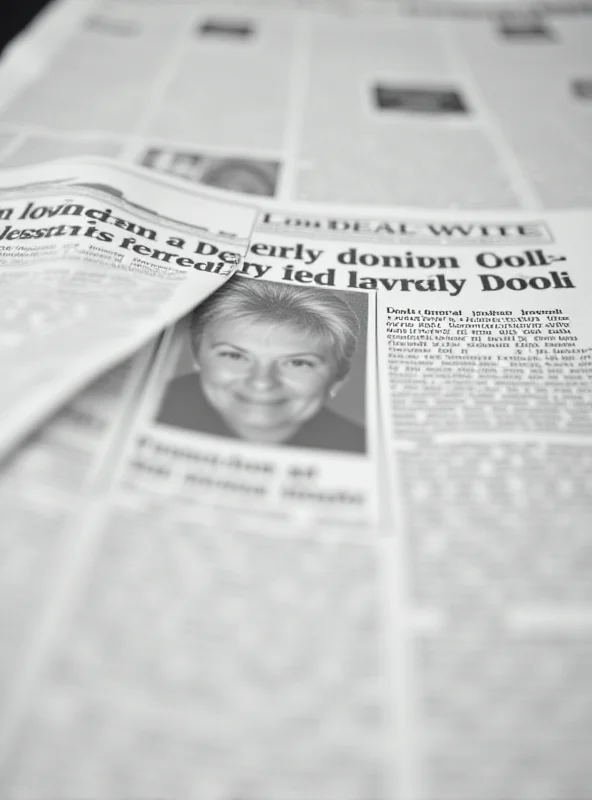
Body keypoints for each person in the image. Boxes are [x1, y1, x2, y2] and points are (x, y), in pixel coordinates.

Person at [157, 279, 366, 452]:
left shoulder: (358, 447)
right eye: (235, 356)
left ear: (338, 379)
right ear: (198, 359)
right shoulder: (153, 407)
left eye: (297, 362)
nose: (261, 383)